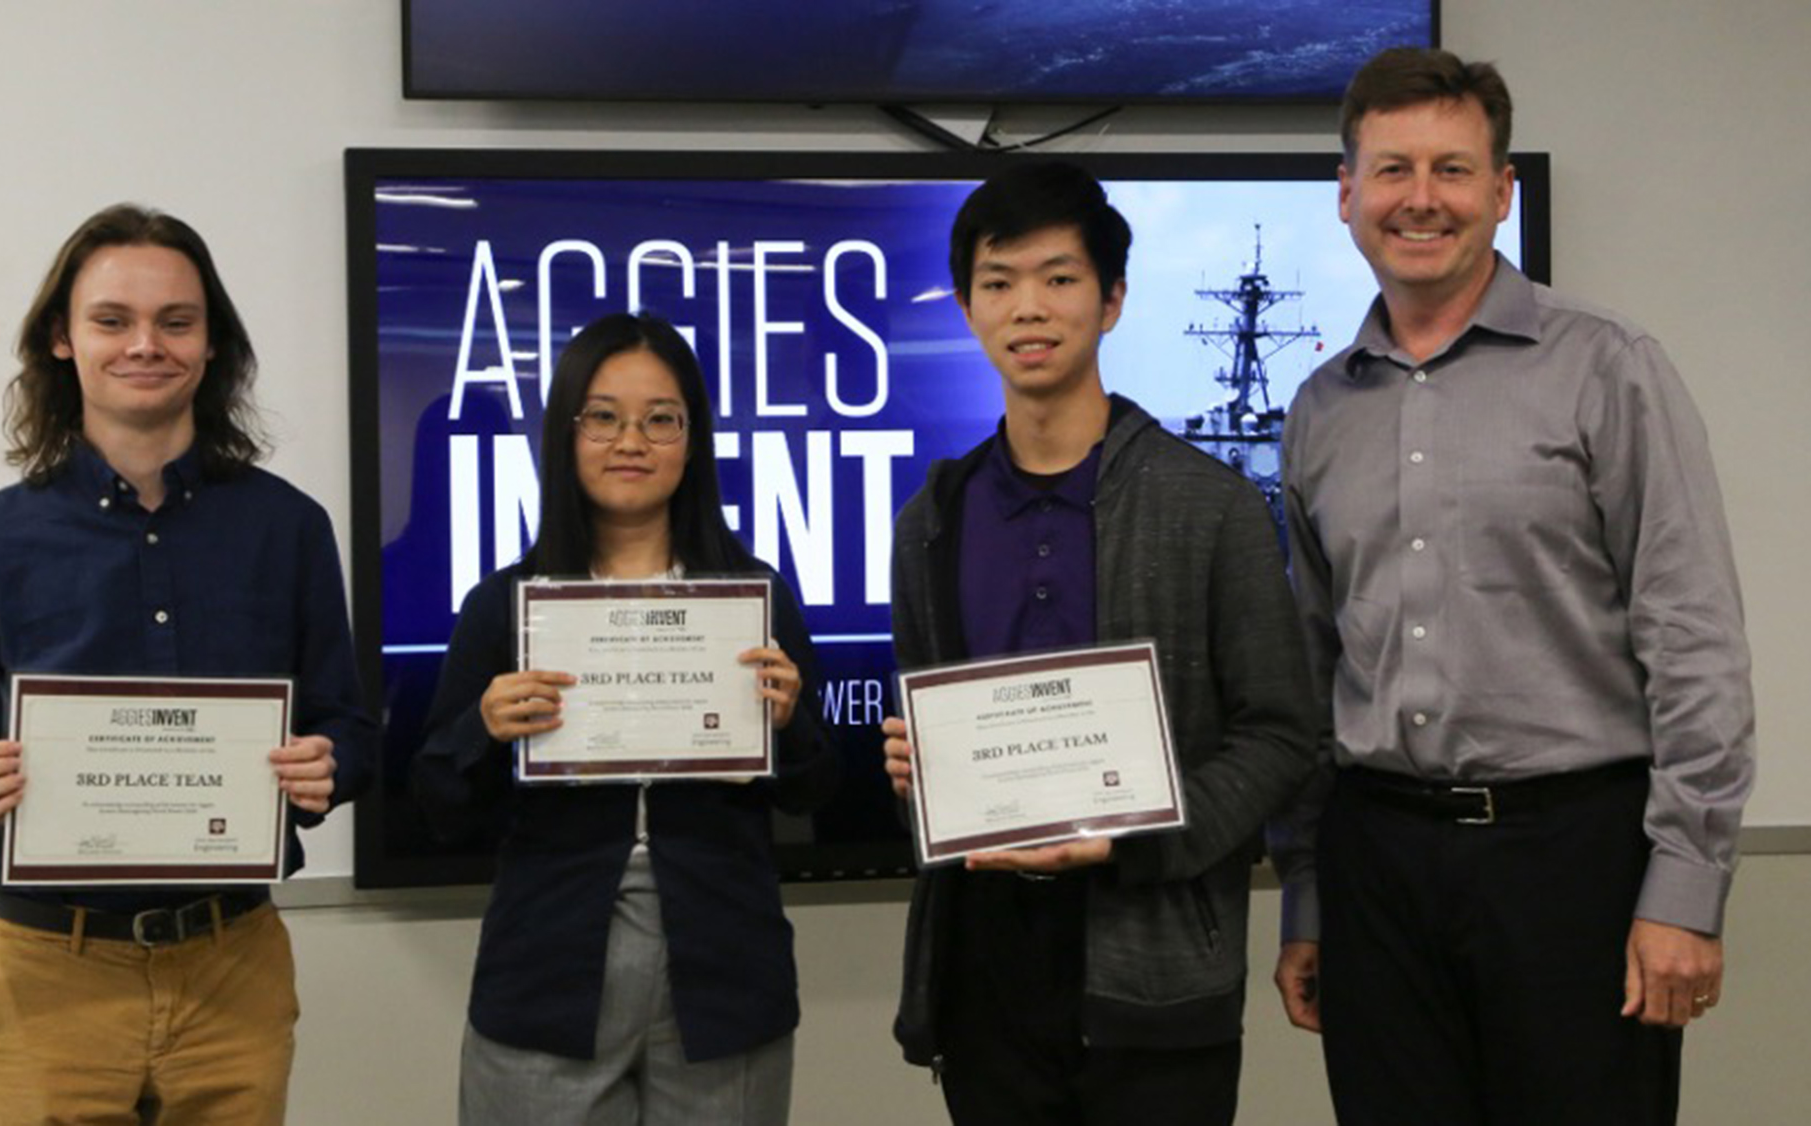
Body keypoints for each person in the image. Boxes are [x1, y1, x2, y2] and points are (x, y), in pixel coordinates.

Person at [1267, 47, 1757, 1126]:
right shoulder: (1317, 410)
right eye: (1391, 170)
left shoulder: (1607, 367)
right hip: (1375, 864)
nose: (1420, 199)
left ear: (1500, 192)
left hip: (1572, 861)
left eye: (1451, 169)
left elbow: (1694, 642)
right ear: (1346, 194)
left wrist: (1683, 892)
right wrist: (1306, 895)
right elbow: (1307, 672)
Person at [0, 204, 375, 1124]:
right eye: (113, 320)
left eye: (175, 321)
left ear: (211, 344)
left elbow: (349, 728)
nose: (145, 344)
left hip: (233, 963)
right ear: (62, 340)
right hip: (46, 972)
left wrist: (329, 764)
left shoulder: (289, 530)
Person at [879, 162, 1318, 1125]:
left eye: (1059, 277)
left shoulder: (1212, 506)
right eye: (998, 282)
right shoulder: (931, 520)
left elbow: (1283, 734)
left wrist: (1137, 833)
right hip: (983, 968)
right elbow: (929, 714)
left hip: (1156, 969)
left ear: (1112, 300)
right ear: (965, 306)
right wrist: (920, 764)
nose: (1027, 308)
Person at [412, 311, 838, 1125]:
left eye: (661, 419)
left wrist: (790, 724)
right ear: (565, 434)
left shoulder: (754, 595)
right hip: (549, 965)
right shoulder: (505, 603)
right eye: (602, 417)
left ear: (693, 439)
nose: (630, 441)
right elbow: (436, 801)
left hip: (721, 964)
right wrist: (484, 728)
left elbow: (815, 793)